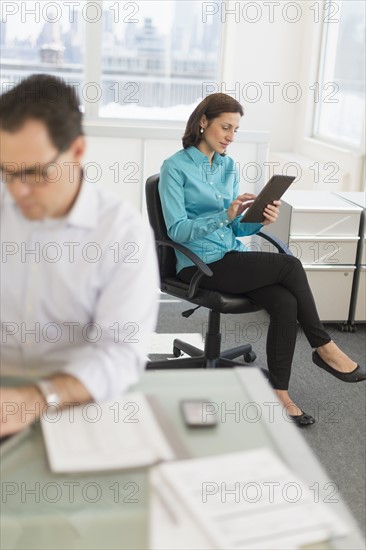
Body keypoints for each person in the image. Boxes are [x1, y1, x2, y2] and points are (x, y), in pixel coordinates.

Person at [158, 93, 365, 426]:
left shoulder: (227, 166)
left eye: (236, 130)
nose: (230, 136)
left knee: (284, 302)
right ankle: (324, 346)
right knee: (290, 265)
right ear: (202, 122)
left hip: (231, 256)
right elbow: (177, 231)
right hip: (200, 265)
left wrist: (260, 218)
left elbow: (238, 228)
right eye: (225, 126)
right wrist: (223, 216)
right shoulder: (174, 168)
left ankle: (279, 395)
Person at [0, 75, 159, 436]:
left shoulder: (123, 234)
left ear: (77, 151)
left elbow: (120, 354)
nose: (17, 191)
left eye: (35, 174)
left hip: (74, 400)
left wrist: (36, 398)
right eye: (6, 172)